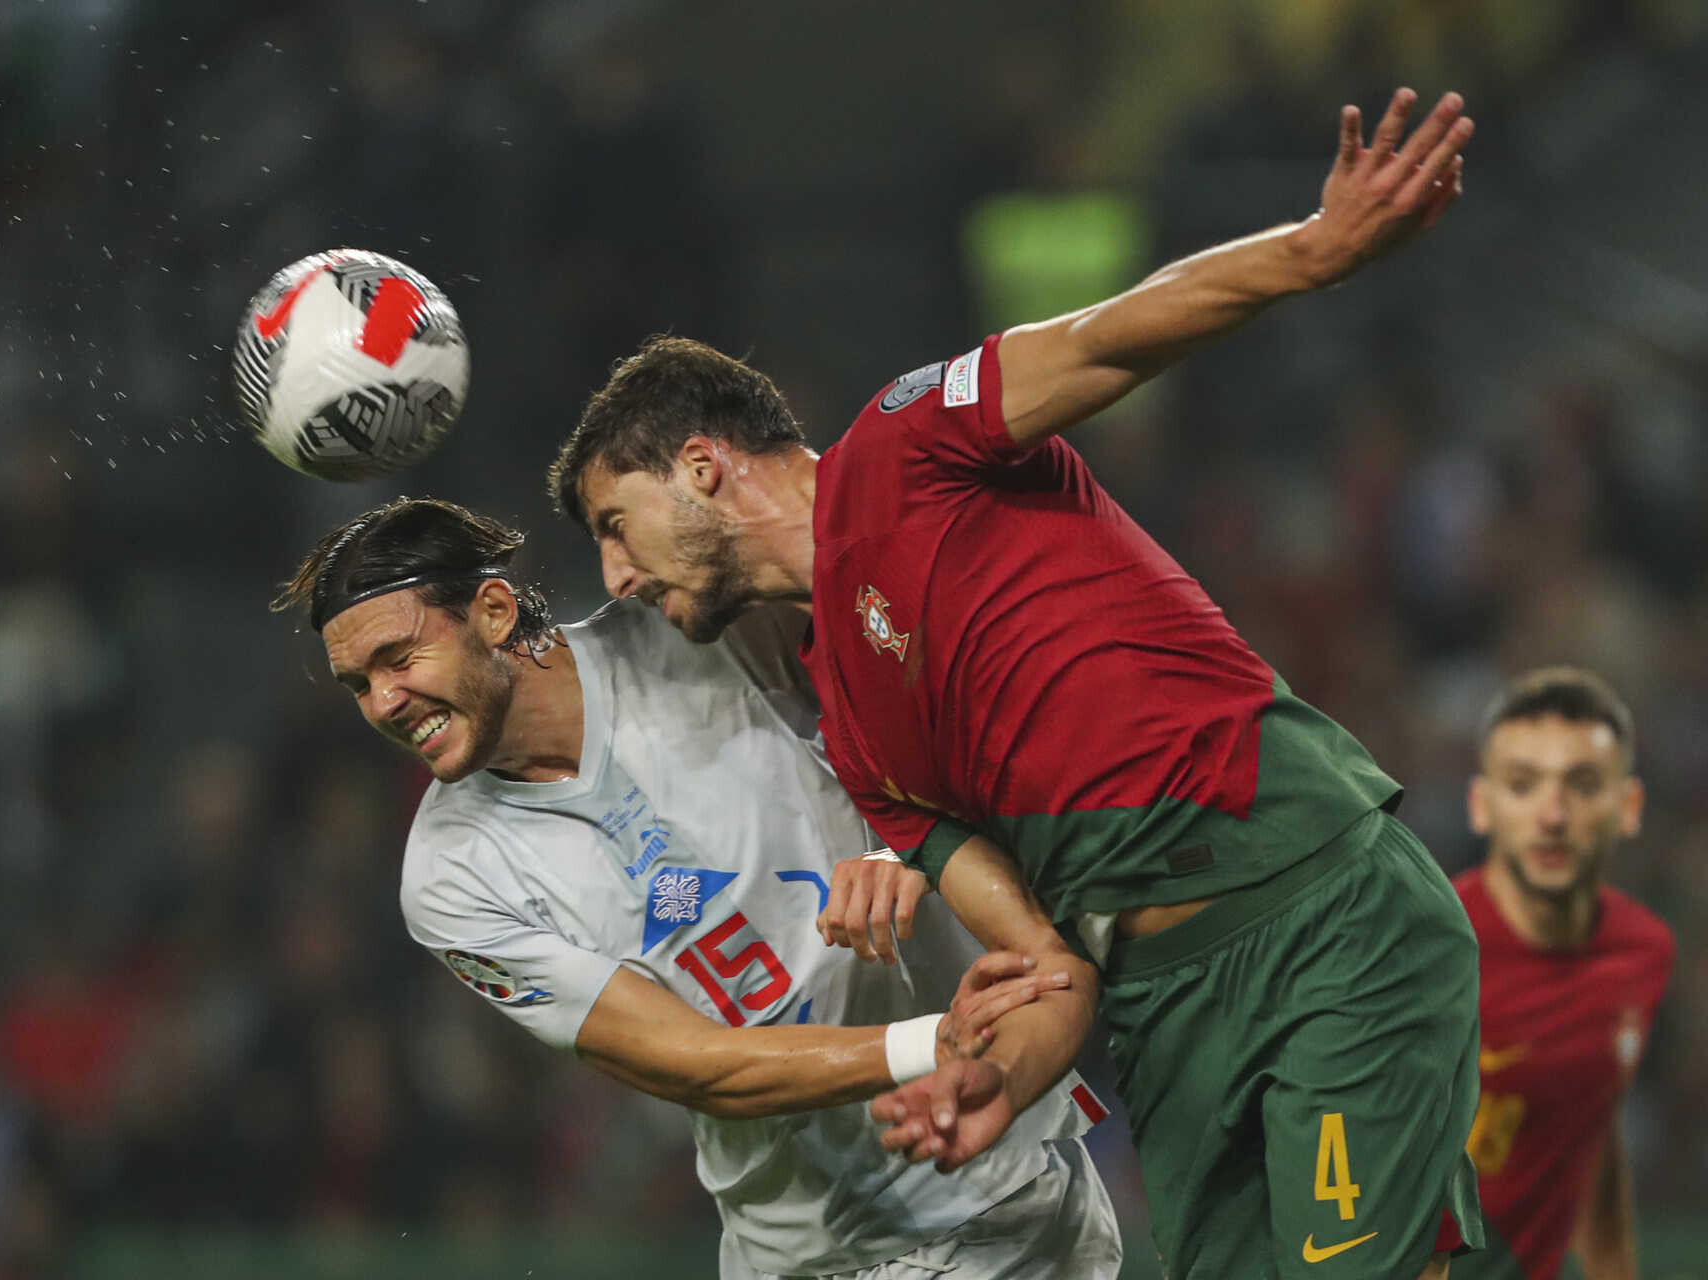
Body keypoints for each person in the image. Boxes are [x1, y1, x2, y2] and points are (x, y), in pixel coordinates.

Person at [549, 89, 1483, 1280]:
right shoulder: (858, 730)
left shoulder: (903, 443)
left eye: (614, 524)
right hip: (1162, 1011)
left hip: (1317, 911)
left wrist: (1313, 252)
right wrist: (991, 1074)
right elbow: (1046, 961)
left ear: (699, 464)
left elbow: (1110, 337)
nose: (614, 574)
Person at [273, 495, 1123, 1280]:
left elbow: (952, 710)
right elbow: (695, 1067)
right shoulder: (450, 876)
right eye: (359, 684)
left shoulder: (698, 629)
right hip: (796, 1253)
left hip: (994, 1203)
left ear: (493, 613)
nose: (384, 701)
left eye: (399, 657)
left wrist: (916, 857)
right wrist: (933, 1043)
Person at [1451, 668, 1674, 1280]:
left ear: (1628, 806)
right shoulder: (1421, 951)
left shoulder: (1643, 952)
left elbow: (1591, 1127)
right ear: (1482, 804)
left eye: (1582, 785)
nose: (1553, 815)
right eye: (1523, 785)